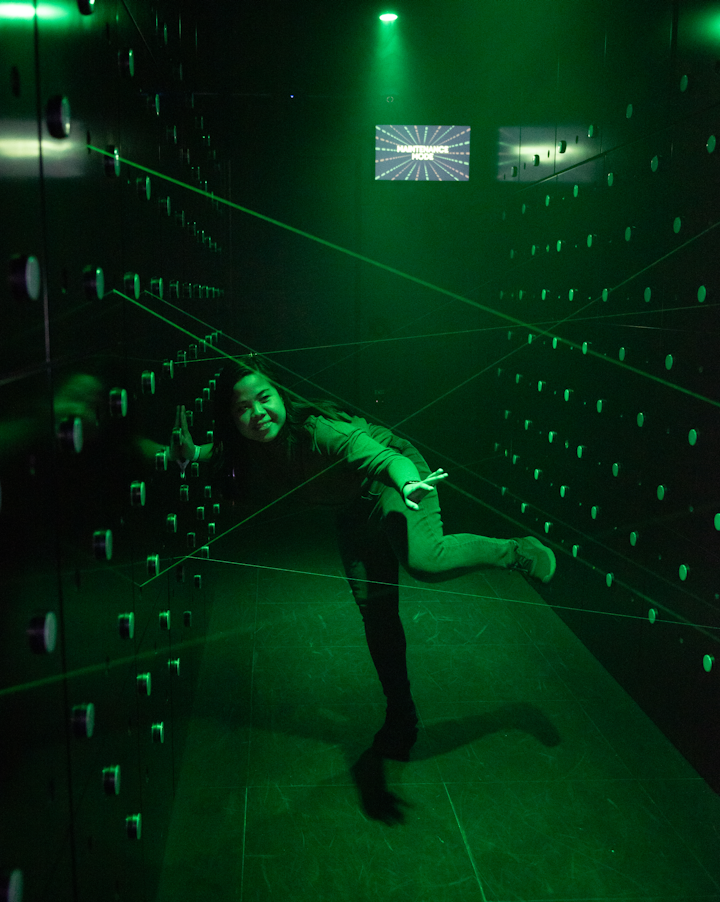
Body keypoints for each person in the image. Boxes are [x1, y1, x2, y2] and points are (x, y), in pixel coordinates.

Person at [169, 356, 556, 761]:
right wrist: (192, 452)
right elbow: (224, 450)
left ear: (280, 394)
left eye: (264, 398)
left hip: (396, 484)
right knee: (376, 613)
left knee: (427, 559)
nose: (257, 413)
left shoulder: (322, 431)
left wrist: (408, 483)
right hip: (354, 509)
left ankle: (517, 550)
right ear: (232, 418)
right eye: (242, 408)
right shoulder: (252, 444)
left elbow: (384, 459)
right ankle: (401, 715)